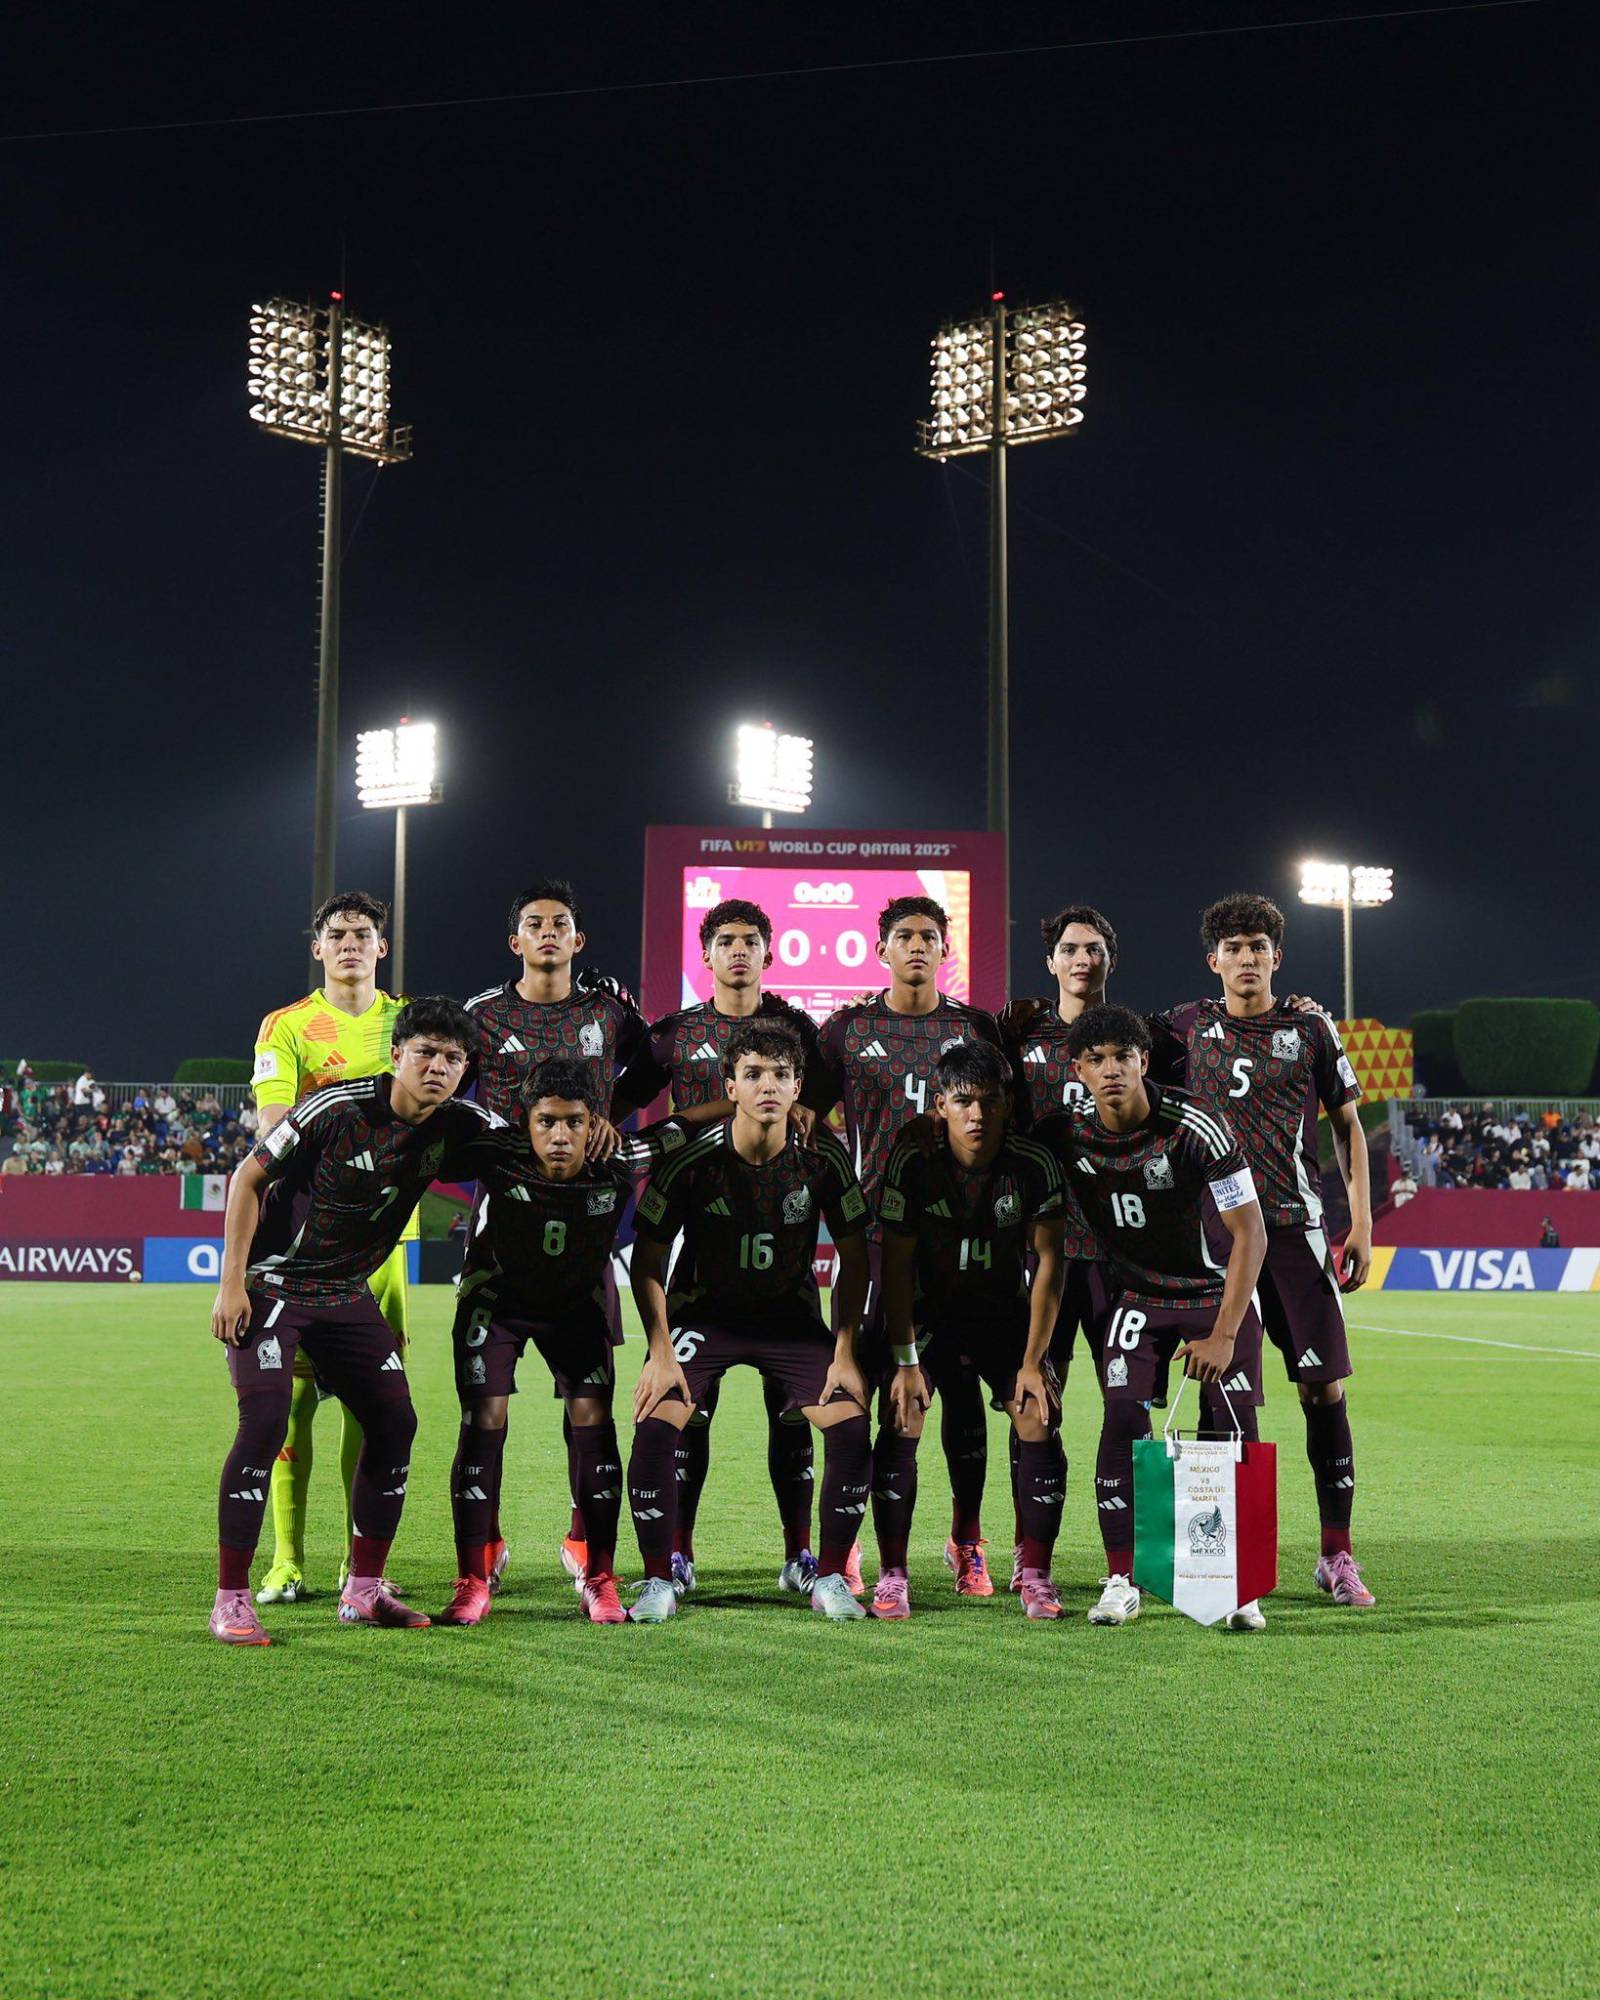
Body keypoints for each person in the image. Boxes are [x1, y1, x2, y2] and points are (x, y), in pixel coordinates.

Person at [207, 998, 501, 1644]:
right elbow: (247, 1179)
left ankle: (364, 1590)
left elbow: (535, 1139)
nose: (438, 1067)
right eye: (425, 1052)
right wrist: (231, 1283)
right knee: (265, 1421)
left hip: (344, 1292)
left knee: (396, 1421)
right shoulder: (334, 1109)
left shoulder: (460, 1125)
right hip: (276, 1282)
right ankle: (230, 1598)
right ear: (396, 1054)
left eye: (453, 1059)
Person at [1149, 894, 1377, 1610]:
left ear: (1278, 957)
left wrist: (1361, 1223)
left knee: (1323, 1390)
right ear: (1212, 959)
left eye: (1258, 947)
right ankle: (1224, 1558)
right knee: (1224, 1393)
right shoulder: (1181, 1028)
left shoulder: (1310, 1026)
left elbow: (1347, 1125)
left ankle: (1335, 1554)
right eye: (1234, 947)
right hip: (1214, 1241)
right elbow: (1112, 1057)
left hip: (1296, 1235)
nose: (1247, 958)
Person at [612, 897, 835, 1594]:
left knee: (790, 1406)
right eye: (726, 941)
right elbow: (620, 1102)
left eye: (751, 940)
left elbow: (820, 1107)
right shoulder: (674, 1032)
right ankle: (677, 1552)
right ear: (704, 955)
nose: (739, 951)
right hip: (700, 1235)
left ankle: (801, 1554)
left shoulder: (798, 1028)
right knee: (689, 1407)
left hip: (783, 1237)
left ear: (770, 953)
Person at [625, 1020, 874, 1623]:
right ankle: (661, 1577)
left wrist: (844, 1352)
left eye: (782, 1075)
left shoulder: (823, 1158)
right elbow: (648, 1263)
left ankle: (828, 1576)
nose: (769, 1085)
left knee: (847, 1424)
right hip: (703, 1317)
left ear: (797, 1091)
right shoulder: (690, 1160)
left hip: (789, 1322)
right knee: (657, 1424)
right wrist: (660, 1352)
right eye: (753, 1074)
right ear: (730, 1086)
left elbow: (856, 1257)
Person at [1038, 1005, 1269, 1630]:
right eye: (1097, 1060)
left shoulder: (1196, 1124)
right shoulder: (1066, 1134)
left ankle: (1234, 1584)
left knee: (1230, 1426)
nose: (1111, 1070)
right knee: (1121, 1419)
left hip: (1213, 1297)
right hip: (1138, 1300)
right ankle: (1122, 1579)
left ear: (1143, 1060)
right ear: (1078, 1069)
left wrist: (1224, 1333)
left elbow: (1251, 1232)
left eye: (1123, 1057)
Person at [809, 895, 1013, 1597]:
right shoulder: (846, 1029)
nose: (918, 945)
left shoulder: (974, 1026)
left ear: (946, 947)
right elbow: (804, 1108)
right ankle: (861, 1544)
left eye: (930, 935)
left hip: (960, 1240)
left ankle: (967, 1542)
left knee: (957, 1393)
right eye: (905, 936)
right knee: (869, 1393)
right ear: (882, 949)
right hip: (871, 1237)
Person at [440, 1058, 683, 1628]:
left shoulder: (617, 1159)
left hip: (575, 1307)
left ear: (592, 1123)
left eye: (574, 1122)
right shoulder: (498, 1152)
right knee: (485, 1418)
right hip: (496, 1303)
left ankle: (598, 1574)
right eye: (546, 1121)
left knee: (593, 1416)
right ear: (526, 1122)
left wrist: (776, 1107)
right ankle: (474, 1578)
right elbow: (433, 1125)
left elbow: (686, 1127)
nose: (559, 1135)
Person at [463, 878, 652, 1590]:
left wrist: (609, 1111)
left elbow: (654, 1068)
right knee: (487, 1402)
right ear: (516, 941)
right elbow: (448, 1090)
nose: (548, 933)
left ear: (578, 940)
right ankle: (485, 1541)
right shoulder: (481, 1015)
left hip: (588, 1226)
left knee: (589, 1397)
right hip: (503, 1221)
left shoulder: (609, 1010)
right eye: (534, 924)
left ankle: (582, 1539)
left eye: (561, 923)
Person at [247, 892, 415, 1606]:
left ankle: (359, 1564)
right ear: (318, 948)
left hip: (385, 1248)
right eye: (337, 934)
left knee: (372, 1408)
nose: (350, 943)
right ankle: (286, 1560)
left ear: (383, 946)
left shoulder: (409, 1023)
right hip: (306, 1240)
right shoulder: (284, 1026)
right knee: (291, 1408)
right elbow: (276, 1124)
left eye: (363, 933)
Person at [873, 1042, 1068, 1620]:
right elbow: (897, 1271)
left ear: (1007, 1104)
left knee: (1037, 1413)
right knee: (903, 1411)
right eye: (963, 1102)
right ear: (941, 1106)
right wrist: (906, 1361)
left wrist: (1033, 1362)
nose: (977, 1114)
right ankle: (892, 1574)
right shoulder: (913, 1163)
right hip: (932, 1318)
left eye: (988, 1101)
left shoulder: (1033, 1163)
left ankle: (1034, 1572)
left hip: (1002, 1317)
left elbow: (1050, 1266)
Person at [996, 901, 1119, 1585]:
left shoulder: (1139, 1037)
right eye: (1070, 948)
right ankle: (1028, 1553)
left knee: (1123, 1401)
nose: (1082, 958)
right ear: (1051, 961)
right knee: (1034, 1399)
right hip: (1038, 1251)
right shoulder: (1018, 1034)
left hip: (1118, 1256)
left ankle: (1123, 1560)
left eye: (1094, 948)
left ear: (1108, 959)